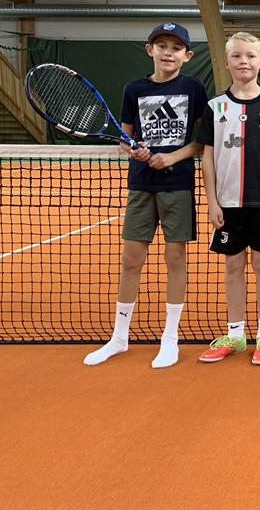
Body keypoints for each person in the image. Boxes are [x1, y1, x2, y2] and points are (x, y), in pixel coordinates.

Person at [83, 21, 208, 369]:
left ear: (187, 55)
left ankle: (170, 338)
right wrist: (133, 149)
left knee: (175, 260)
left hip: (178, 184)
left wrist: (172, 156)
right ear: (150, 50)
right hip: (140, 184)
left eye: (176, 48)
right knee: (130, 260)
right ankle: (119, 338)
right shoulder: (133, 90)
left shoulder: (194, 87)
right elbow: (125, 137)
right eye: (162, 46)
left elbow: (203, 140)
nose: (168, 53)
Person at [196, 32, 260, 365]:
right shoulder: (214, 106)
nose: (244, 61)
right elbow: (207, 157)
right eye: (237, 56)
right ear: (226, 62)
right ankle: (235, 335)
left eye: (250, 56)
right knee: (233, 265)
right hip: (227, 204)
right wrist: (212, 201)